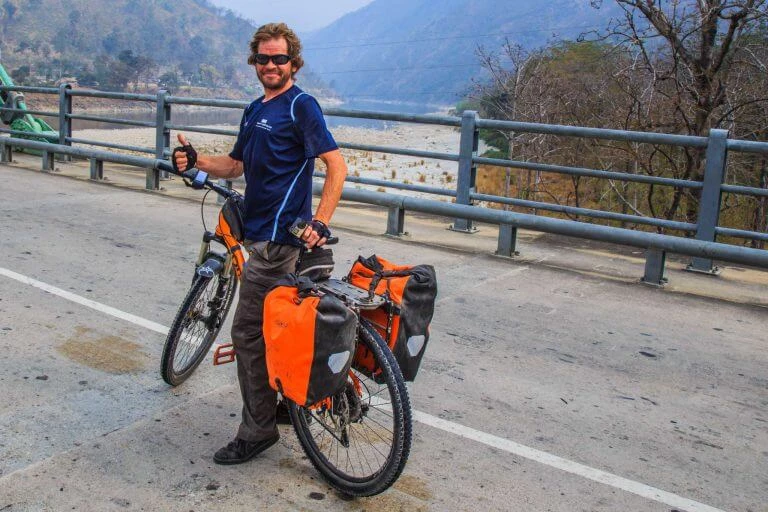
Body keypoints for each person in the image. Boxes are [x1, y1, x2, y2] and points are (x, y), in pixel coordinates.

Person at [172, 22, 347, 465]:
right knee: (278, 327)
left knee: (246, 333)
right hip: (261, 232)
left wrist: (321, 221)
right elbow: (234, 165)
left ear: (294, 62)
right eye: (264, 58)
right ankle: (285, 402)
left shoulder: (300, 106)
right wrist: (196, 162)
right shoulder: (255, 109)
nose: (271, 65)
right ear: (254, 61)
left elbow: (336, 164)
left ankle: (257, 430)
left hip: (279, 241)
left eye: (279, 59)